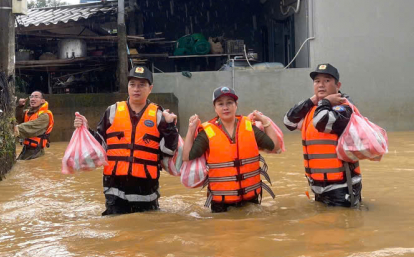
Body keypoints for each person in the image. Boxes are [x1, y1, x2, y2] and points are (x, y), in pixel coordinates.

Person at [74, 66, 179, 216]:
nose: (136, 89)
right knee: (116, 228)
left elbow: (169, 150)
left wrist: (169, 126)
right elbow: (99, 146)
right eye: (133, 84)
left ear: (150, 88)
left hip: (146, 187)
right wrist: (86, 128)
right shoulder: (112, 111)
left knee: (148, 229)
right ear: (128, 87)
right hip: (114, 186)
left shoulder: (160, 115)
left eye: (142, 85)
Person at [182, 86, 278, 213]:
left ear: (236, 105)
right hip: (220, 202)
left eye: (229, 103)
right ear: (215, 108)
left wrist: (265, 122)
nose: (225, 107)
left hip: (251, 199)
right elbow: (187, 156)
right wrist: (191, 129)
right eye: (220, 104)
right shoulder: (207, 132)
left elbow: (274, 146)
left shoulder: (248, 126)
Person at [283, 63, 361, 207]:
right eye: (317, 81)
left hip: (342, 188)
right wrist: (310, 101)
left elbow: (322, 123)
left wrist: (325, 101)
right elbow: (288, 121)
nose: (321, 85)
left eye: (327, 80)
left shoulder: (344, 107)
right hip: (318, 187)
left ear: (338, 85)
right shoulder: (314, 108)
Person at [15, 91, 54, 160]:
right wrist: (20, 106)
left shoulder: (45, 116)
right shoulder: (28, 112)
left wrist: (13, 129)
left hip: (36, 151)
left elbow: (30, 126)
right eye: (31, 97)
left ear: (42, 101)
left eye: (36, 97)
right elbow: (18, 119)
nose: (33, 99)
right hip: (26, 149)